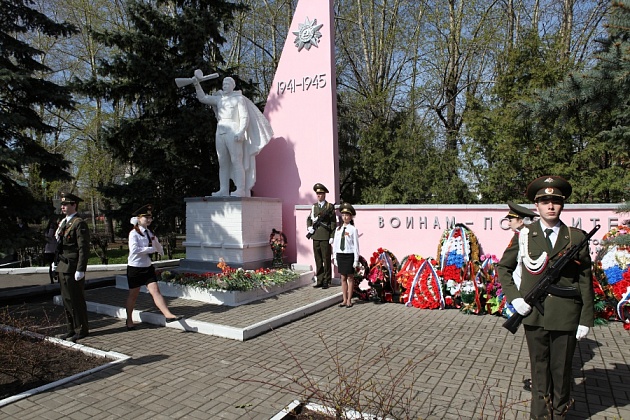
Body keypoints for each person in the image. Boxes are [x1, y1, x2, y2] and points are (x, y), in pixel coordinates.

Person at [497, 176, 594, 419]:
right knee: (539, 370)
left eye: (556, 202)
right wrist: (515, 298)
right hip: (534, 314)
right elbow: (504, 268)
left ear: (562, 205)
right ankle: (540, 416)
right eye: (544, 202)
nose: (550, 206)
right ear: (537, 206)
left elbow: (585, 279)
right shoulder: (524, 235)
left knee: (561, 372)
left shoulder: (576, 237)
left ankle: (559, 415)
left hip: (566, 314)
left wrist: (586, 319)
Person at [193, 71, 273, 197]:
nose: (224, 85)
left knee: (236, 160)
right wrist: (197, 85)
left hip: (233, 130)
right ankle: (223, 189)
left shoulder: (238, 99)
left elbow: (244, 117)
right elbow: (203, 98)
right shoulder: (219, 99)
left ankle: (240, 189)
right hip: (220, 131)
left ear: (232, 86)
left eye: (227, 83)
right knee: (223, 162)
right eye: (223, 83)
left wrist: (241, 131)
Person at [125, 205, 182, 330]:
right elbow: (134, 250)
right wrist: (150, 249)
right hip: (135, 268)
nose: (149, 220)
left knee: (155, 291)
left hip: (147, 267)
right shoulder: (134, 233)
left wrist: (160, 251)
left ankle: (168, 315)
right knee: (133, 295)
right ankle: (129, 319)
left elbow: (156, 243)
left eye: (150, 218)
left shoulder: (149, 232)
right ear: (138, 219)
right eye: (146, 217)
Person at [54, 192, 90, 342]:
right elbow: (60, 246)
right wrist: (55, 262)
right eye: (62, 204)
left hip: (73, 267)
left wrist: (81, 269)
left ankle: (81, 329)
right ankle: (71, 328)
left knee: (76, 300)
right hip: (63, 265)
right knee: (67, 300)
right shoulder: (64, 222)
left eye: (66, 204)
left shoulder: (78, 223)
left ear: (74, 205)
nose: (62, 207)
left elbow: (83, 248)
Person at [306, 183, 336, 289]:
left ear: (324, 194)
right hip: (315, 236)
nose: (318, 195)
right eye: (317, 193)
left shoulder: (329, 207)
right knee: (318, 259)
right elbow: (309, 219)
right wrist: (309, 227)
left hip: (325, 236)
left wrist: (332, 236)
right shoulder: (314, 207)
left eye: (320, 193)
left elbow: (333, 222)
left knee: (326, 259)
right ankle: (319, 280)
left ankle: (327, 280)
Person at [332, 203, 360, 307]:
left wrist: (356, 259)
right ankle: (344, 299)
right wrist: (334, 257)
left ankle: (349, 300)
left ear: (351, 217)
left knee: (350, 278)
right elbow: (335, 244)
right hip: (340, 255)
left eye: (347, 215)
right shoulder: (338, 229)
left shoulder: (353, 229)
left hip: (349, 255)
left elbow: (356, 245)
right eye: (343, 215)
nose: (345, 217)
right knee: (343, 278)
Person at [43, 215, 60, 284]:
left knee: (57, 265)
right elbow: (49, 236)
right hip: (49, 250)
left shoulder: (57, 230)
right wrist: (51, 229)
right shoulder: (48, 231)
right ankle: (52, 280)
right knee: (51, 265)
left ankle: (58, 278)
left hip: (55, 249)